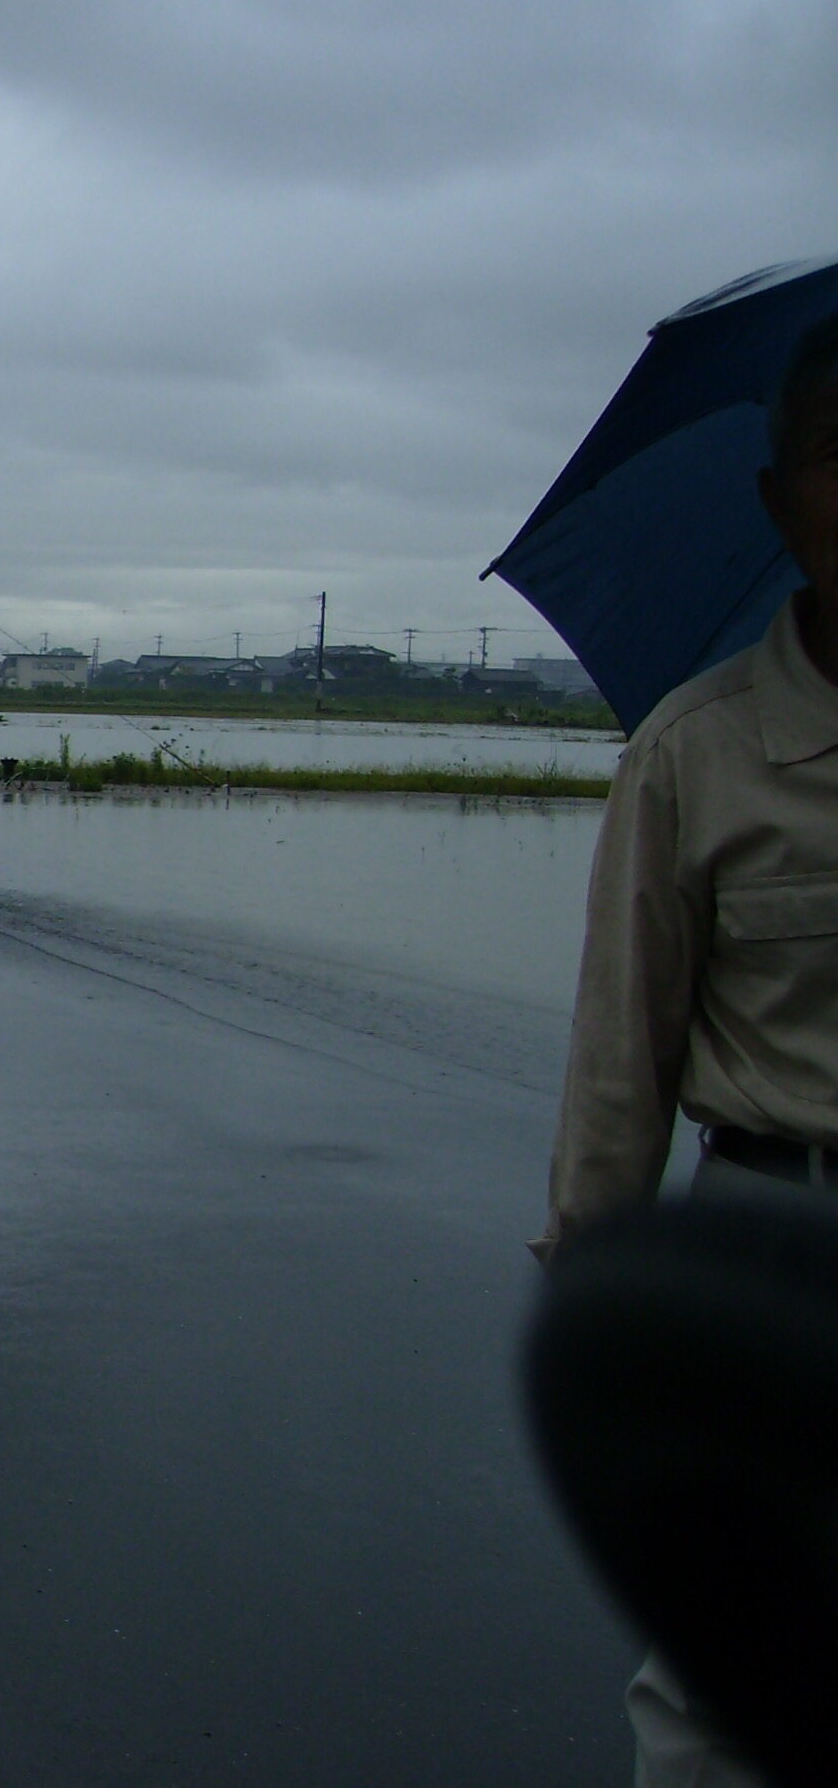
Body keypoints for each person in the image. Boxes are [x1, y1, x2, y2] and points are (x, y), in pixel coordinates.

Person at [535, 311, 838, 1786]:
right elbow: (621, 1060)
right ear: (782, 503)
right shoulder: (697, 751)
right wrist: (602, 1307)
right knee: (730, 1683)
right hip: (775, 1247)